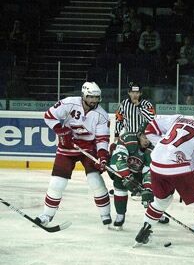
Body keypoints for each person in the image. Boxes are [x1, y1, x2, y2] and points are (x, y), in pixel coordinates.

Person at [134, 108, 194, 257]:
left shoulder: (179, 118)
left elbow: (150, 129)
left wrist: (165, 147)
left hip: (156, 164)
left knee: (161, 201)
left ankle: (144, 231)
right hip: (179, 166)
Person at [36, 82, 111, 226]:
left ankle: (105, 214)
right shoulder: (69, 103)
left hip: (88, 148)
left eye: (97, 97)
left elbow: (102, 139)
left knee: (95, 181)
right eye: (91, 97)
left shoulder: (102, 115)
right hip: (67, 147)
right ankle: (47, 215)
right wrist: (61, 131)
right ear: (83, 95)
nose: (94, 100)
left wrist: (102, 156)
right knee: (57, 183)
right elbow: (49, 116)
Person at [108, 127, 155, 230]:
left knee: (153, 191)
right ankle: (120, 215)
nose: (147, 141)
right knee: (119, 186)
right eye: (145, 137)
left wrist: (147, 187)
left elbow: (150, 171)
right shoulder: (127, 138)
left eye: (150, 138)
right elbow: (117, 161)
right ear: (139, 135)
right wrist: (127, 176)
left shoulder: (154, 148)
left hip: (140, 173)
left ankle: (157, 212)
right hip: (124, 170)